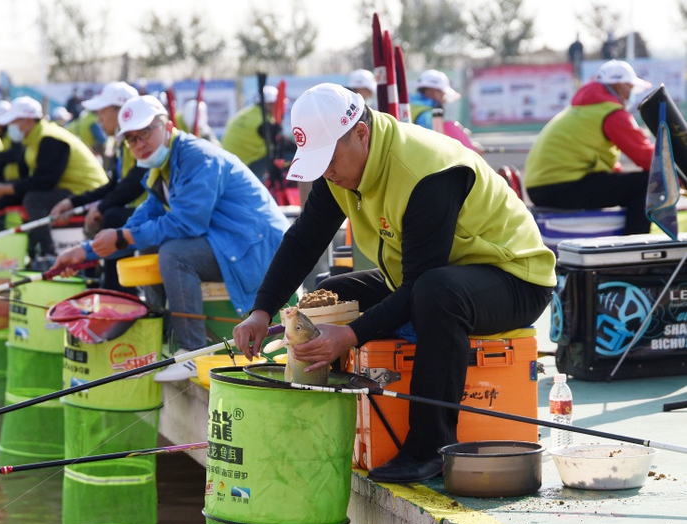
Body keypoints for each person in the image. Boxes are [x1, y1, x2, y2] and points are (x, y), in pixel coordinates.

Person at [233, 83, 556, 484]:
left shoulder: (425, 172)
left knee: (437, 294)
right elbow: (303, 240)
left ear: (361, 134)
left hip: (515, 280)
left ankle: (430, 448)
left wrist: (350, 334)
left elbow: (422, 284)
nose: (326, 173)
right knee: (335, 291)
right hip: (433, 276)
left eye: (329, 160)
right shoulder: (341, 170)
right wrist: (261, 311)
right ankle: (331, 422)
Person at [52, 95, 290, 381]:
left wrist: (123, 236)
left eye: (145, 132)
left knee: (175, 253)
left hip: (256, 245)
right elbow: (143, 218)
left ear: (166, 125)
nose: (140, 144)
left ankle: (192, 351)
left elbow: (187, 223)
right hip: (228, 240)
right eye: (131, 139)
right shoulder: (163, 166)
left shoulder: (199, 157)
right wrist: (86, 251)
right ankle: (166, 339)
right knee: (147, 242)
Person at [0, 96, 108, 260]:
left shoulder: (50, 137)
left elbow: (45, 181)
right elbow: (31, 182)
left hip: (90, 191)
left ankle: (49, 253)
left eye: (14, 122)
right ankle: (36, 252)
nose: (10, 127)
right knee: (30, 197)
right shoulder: (33, 140)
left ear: (28, 121)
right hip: (69, 189)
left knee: (34, 200)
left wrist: (6, 189)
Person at [523, 60, 654, 235]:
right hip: (561, 186)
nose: (632, 94)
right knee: (647, 183)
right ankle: (635, 248)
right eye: (632, 88)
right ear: (622, 86)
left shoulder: (582, 109)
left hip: (541, 188)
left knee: (629, 183)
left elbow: (599, 159)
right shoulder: (612, 112)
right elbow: (648, 158)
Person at [50, 81, 146, 291]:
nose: (98, 119)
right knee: (106, 214)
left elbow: (135, 183)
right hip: (135, 211)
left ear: (122, 111)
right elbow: (114, 185)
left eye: (102, 112)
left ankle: (116, 292)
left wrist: (100, 207)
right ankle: (94, 284)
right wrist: (73, 202)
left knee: (111, 216)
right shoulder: (121, 143)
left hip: (152, 214)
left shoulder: (139, 138)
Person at [221, 85, 281, 179]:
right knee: (286, 155)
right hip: (245, 166)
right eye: (279, 104)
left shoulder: (246, 113)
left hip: (230, 164)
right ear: (269, 104)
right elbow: (281, 143)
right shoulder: (262, 122)